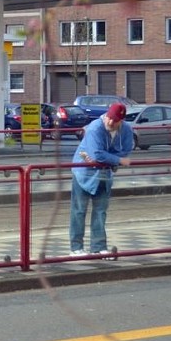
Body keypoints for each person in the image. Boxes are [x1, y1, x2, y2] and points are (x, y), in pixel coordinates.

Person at [69, 102, 134, 256]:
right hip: (83, 172)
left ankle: (98, 247)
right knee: (79, 211)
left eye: (116, 121)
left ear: (122, 121)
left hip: (104, 174)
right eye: (109, 118)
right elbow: (98, 154)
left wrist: (106, 158)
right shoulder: (94, 128)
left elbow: (125, 151)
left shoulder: (126, 130)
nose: (111, 122)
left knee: (100, 211)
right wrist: (116, 160)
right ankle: (76, 248)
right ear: (106, 115)